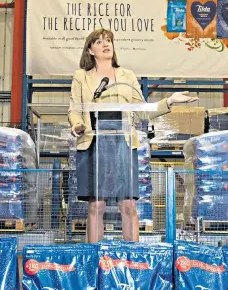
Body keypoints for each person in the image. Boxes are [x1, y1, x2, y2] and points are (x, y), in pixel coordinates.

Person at [68, 28, 198, 243]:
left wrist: (169, 101)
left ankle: (132, 259)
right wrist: (77, 125)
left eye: (108, 40)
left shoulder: (127, 76)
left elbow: (140, 110)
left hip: (122, 143)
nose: (105, 44)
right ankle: (95, 256)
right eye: (99, 42)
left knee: (128, 205)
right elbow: (74, 108)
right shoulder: (81, 76)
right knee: (96, 205)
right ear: (90, 50)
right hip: (93, 141)